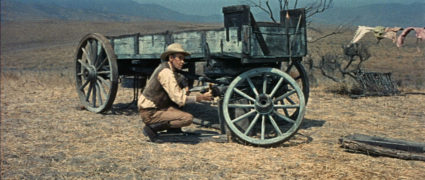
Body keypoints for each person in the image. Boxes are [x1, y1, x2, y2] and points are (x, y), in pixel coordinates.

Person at [138, 43, 213, 141]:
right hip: (150, 112)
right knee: (187, 118)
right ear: (171, 58)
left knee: (180, 111)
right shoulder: (166, 72)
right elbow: (179, 99)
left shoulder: (169, 70)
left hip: (158, 108)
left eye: (183, 59)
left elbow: (179, 93)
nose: (182, 62)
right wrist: (201, 97)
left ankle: (172, 129)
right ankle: (152, 128)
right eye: (180, 58)